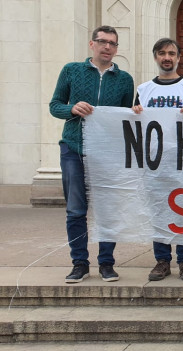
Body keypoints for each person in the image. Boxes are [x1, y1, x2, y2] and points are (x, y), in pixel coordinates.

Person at [49, 25, 134, 283]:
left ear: (117, 49)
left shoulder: (125, 80)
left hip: (107, 154)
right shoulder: (71, 71)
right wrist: (72, 109)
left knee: (108, 210)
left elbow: (124, 117)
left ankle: (107, 263)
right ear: (92, 44)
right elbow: (55, 105)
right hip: (74, 147)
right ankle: (79, 263)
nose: (108, 47)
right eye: (103, 42)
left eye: (113, 43)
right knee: (76, 209)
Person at [132, 38, 183, 281]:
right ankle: (162, 260)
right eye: (162, 53)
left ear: (178, 57)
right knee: (159, 212)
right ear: (155, 57)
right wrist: (135, 114)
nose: (167, 57)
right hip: (154, 162)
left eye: (171, 53)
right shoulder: (143, 90)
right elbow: (132, 128)